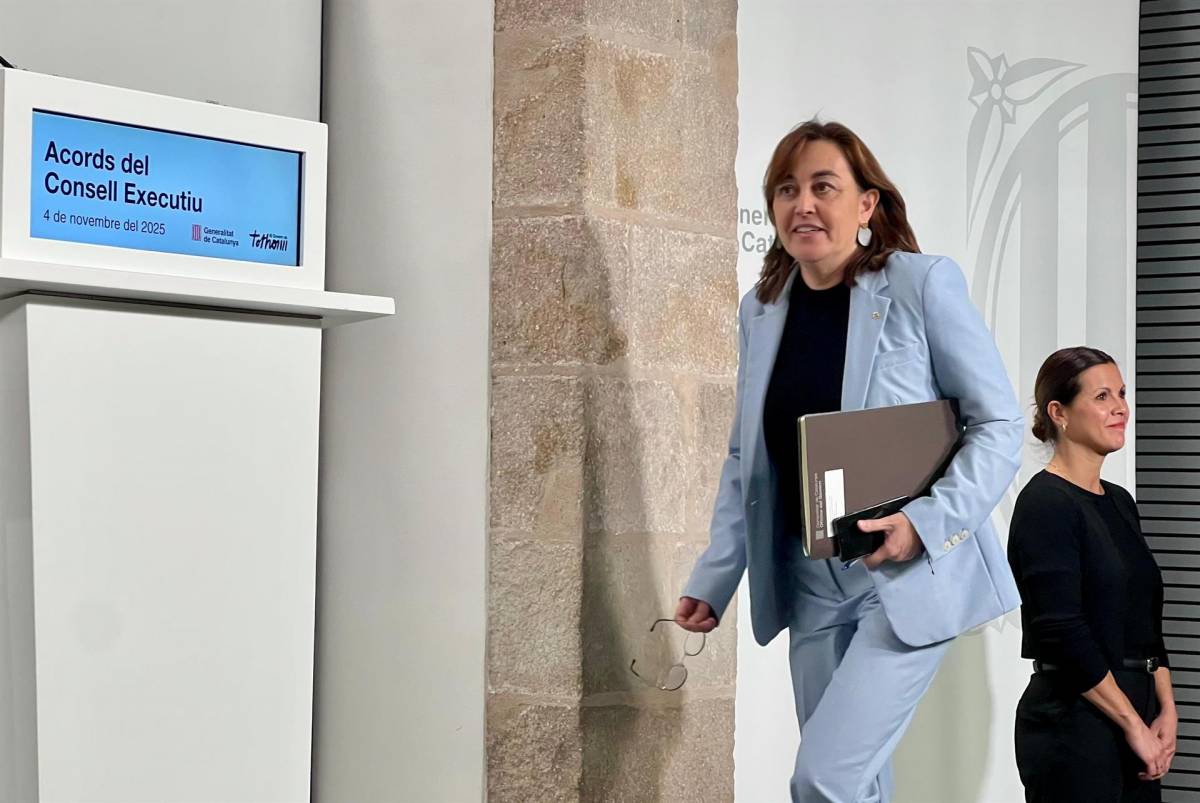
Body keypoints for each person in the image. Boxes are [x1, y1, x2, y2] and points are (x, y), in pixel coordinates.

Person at [674, 119, 1023, 803]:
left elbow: (999, 425)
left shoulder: (921, 285)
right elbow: (748, 455)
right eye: (786, 189)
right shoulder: (761, 310)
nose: (802, 204)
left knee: (824, 778)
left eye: (823, 187)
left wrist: (923, 524)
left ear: (866, 204)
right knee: (854, 787)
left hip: (904, 573)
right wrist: (716, 575)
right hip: (809, 579)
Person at [1008, 347, 1176, 803]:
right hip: (1074, 722)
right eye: (1102, 396)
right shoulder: (1045, 503)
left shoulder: (1120, 501)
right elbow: (1061, 631)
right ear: (1059, 413)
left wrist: (1166, 708)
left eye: (1121, 394)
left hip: (1138, 711)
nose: (1120, 407)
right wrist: (1132, 724)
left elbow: (1146, 621)